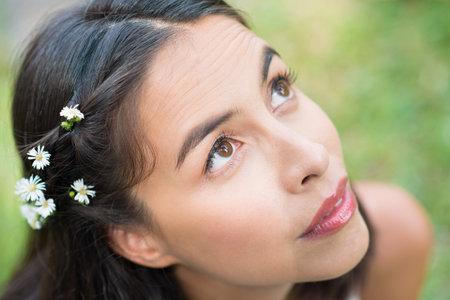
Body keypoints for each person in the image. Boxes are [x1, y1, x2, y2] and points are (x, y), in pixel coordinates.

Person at [1, 1, 432, 299]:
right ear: (138, 239)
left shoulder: (393, 241)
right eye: (221, 151)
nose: (312, 158)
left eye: (278, 88)